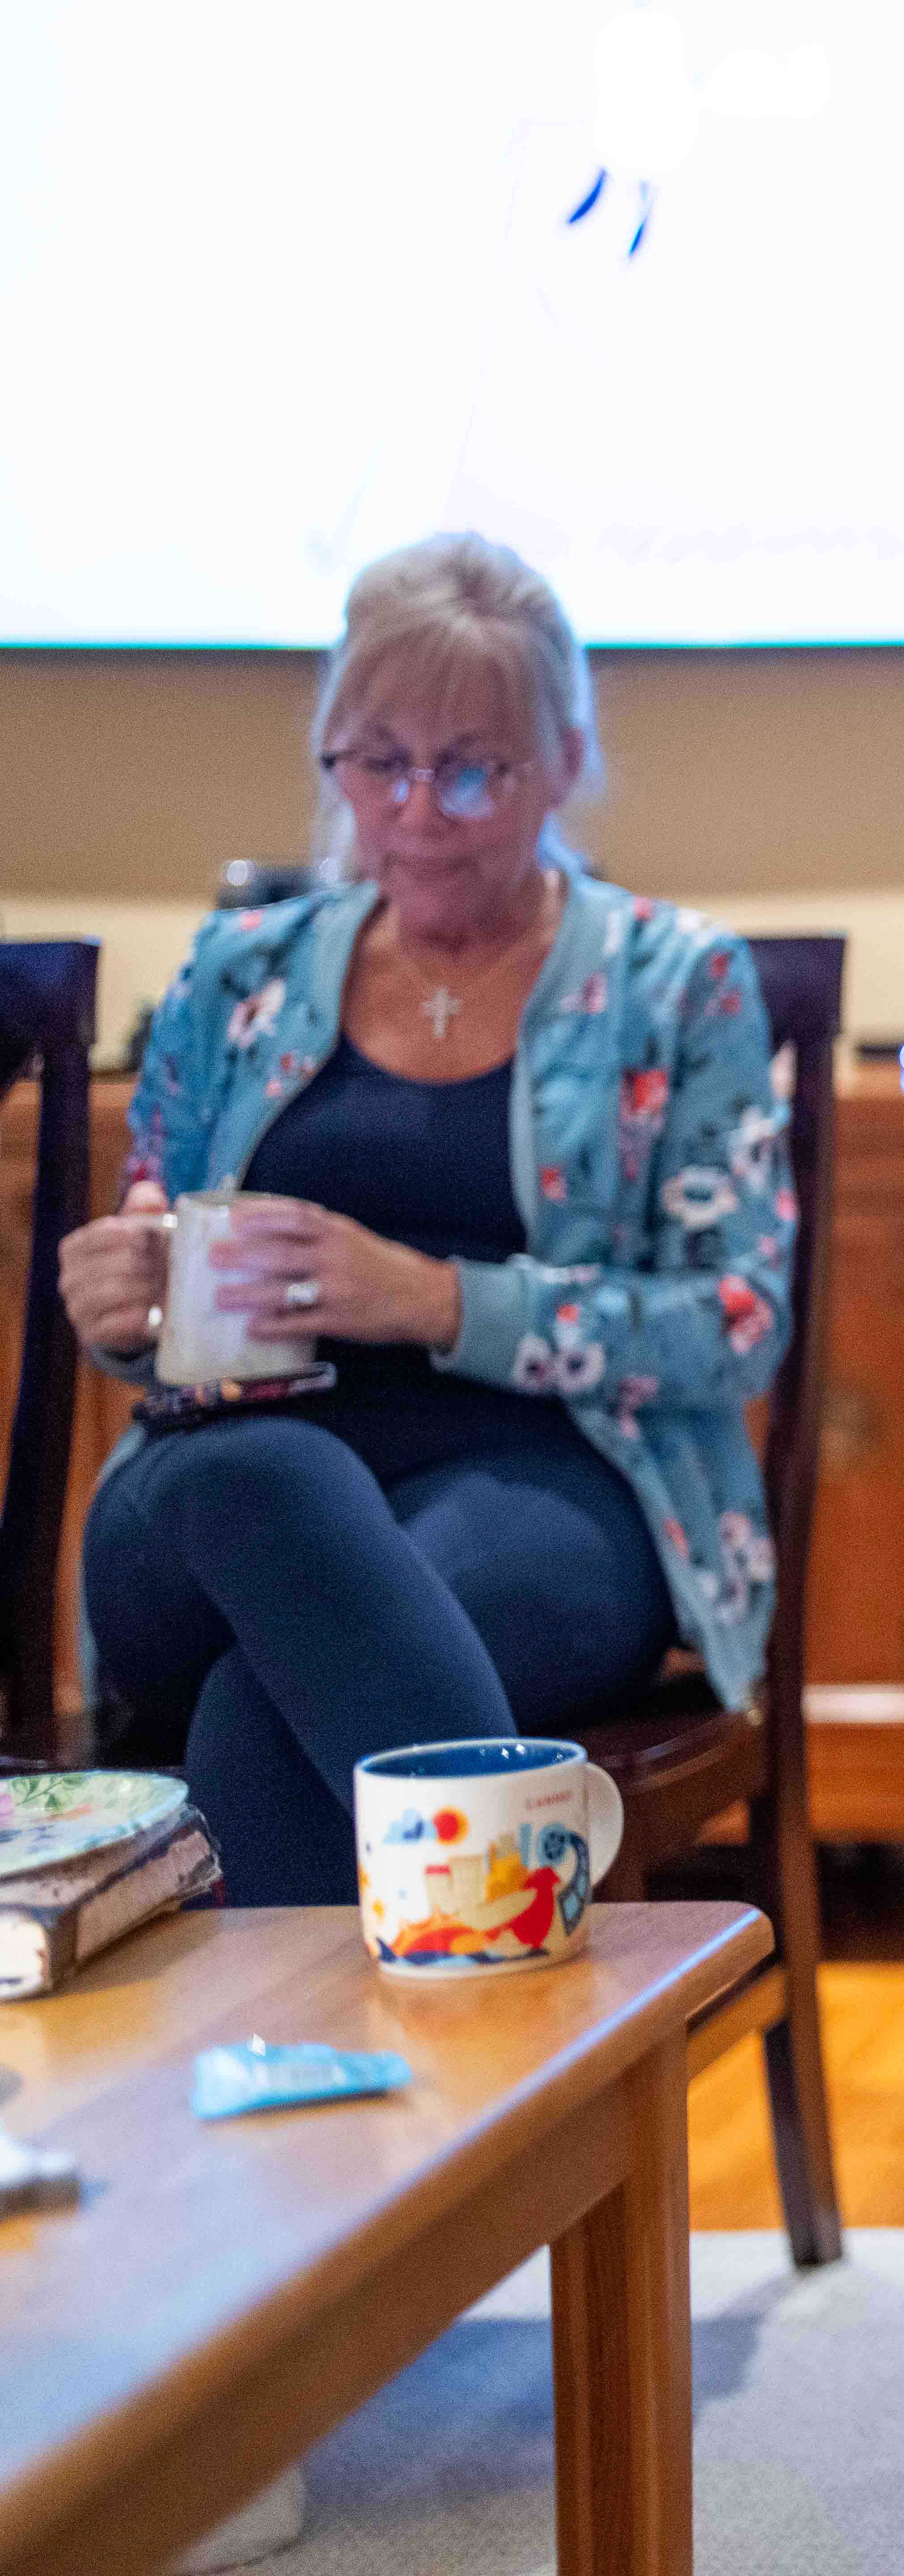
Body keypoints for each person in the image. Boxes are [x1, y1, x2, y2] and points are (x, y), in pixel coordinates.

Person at [53, 531, 789, 1906]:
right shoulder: (239, 975)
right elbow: (154, 1253)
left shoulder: (674, 984)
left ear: (563, 761)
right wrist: (125, 1305)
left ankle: (302, 2106)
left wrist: (437, 1299)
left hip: (548, 1492)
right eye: (376, 762)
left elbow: (736, 1325)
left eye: (470, 769)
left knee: (262, 1714)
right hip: (216, 1492)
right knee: (269, 1484)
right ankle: (529, 2005)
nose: (416, 810)